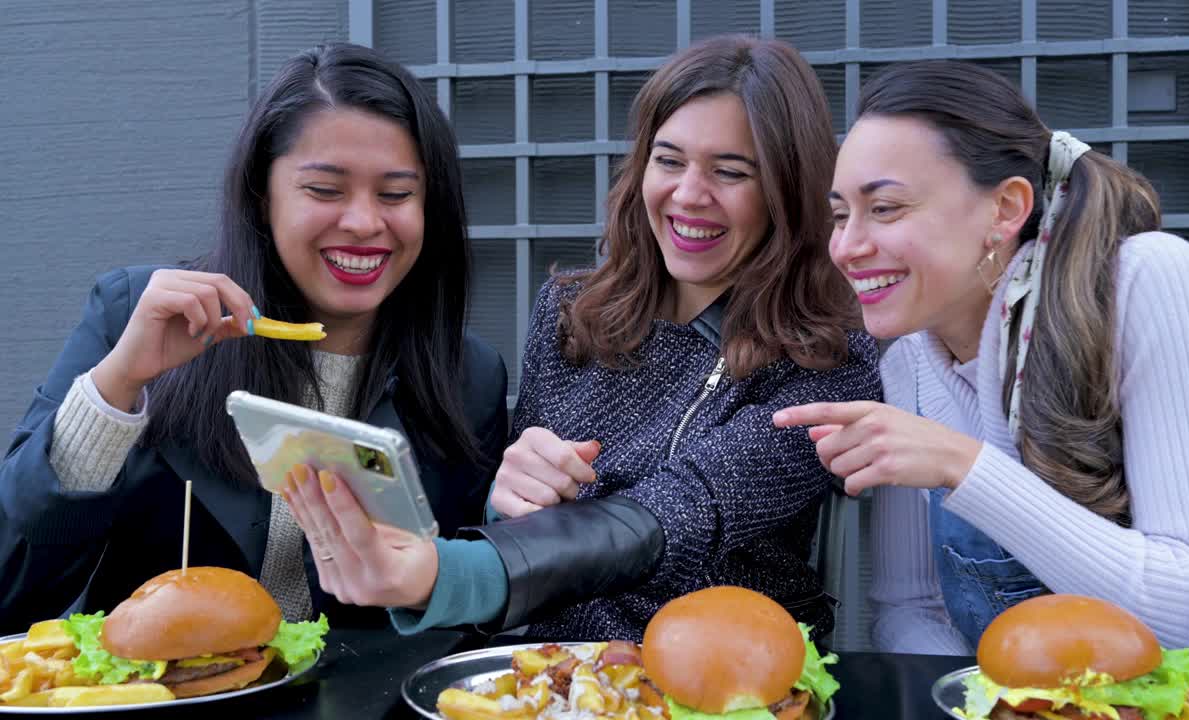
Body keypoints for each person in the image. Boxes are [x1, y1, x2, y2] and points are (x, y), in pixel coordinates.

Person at [283, 34, 882, 641]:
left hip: (718, 675)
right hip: (552, 674)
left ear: (786, 190)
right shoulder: (572, 311)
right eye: (669, 161)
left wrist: (447, 576)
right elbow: (524, 524)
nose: (689, 195)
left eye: (730, 172)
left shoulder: (829, 358)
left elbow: (678, 513)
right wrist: (509, 497)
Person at [773, 59, 1189, 666]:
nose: (848, 247)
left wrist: (965, 467)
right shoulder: (909, 364)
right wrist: (993, 700)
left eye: (884, 209)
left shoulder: (1149, 284)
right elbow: (912, 612)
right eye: (839, 215)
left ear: (1006, 209)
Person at [0, 43, 508, 633]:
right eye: (324, 190)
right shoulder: (140, 314)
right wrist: (117, 385)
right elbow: (13, 589)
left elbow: (465, 611)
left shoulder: (468, 377)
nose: (365, 223)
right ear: (263, 196)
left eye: (396, 194)